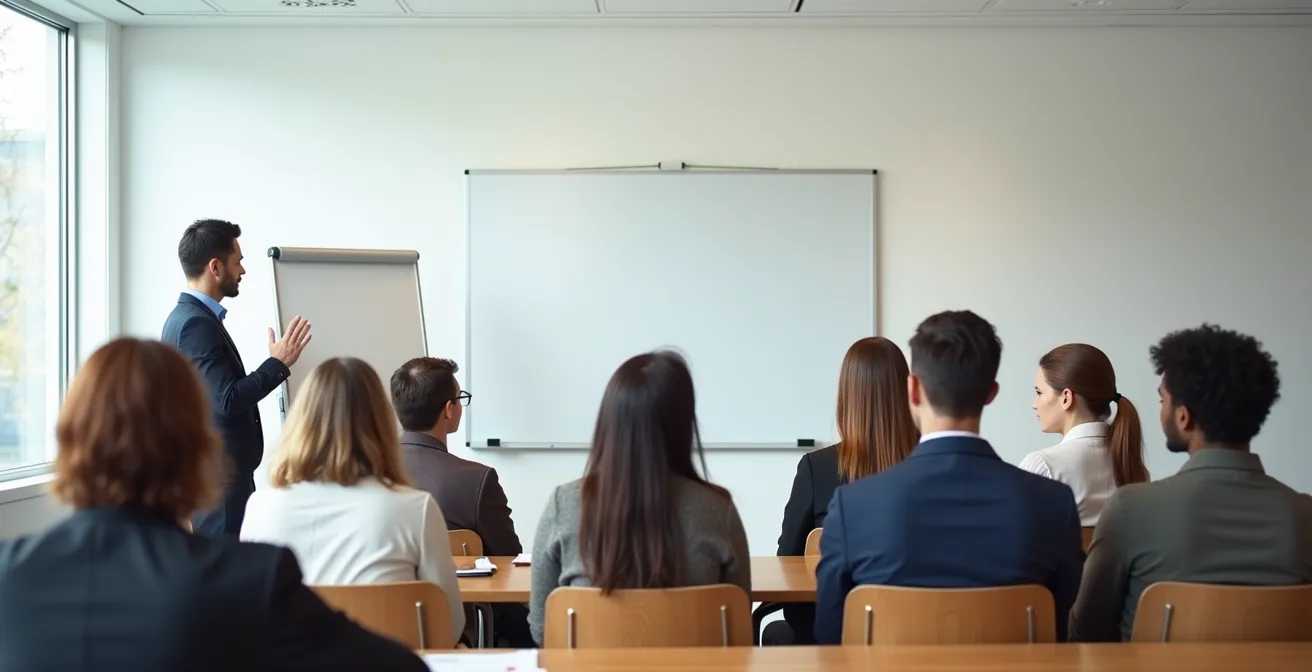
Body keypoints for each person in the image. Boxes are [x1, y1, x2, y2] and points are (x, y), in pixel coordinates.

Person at [0, 338, 425, 672]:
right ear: (199, 445)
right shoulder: (250, 579)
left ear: (70, 440)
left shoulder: (8, 573)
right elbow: (398, 666)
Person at [813, 310, 1084, 645]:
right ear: (991, 393)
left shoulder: (853, 506)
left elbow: (829, 638)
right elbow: (1065, 632)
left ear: (912, 390)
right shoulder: (1053, 504)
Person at [1071, 324, 1312, 642]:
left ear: (1183, 417)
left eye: (1163, 400)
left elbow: (1086, 632)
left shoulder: (1132, 510)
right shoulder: (1305, 516)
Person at [528, 351, 751, 646]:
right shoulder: (717, 510)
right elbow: (737, 624)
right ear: (683, 423)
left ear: (609, 421)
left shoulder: (563, 505)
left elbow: (544, 630)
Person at [240, 357, 465, 644]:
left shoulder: (261, 507)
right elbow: (448, 627)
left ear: (301, 420)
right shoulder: (414, 509)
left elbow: (251, 621)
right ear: (381, 421)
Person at [161, 219, 313, 537]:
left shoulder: (187, 319)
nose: (243, 270)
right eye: (238, 261)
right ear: (215, 267)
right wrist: (277, 363)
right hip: (222, 485)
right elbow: (226, 400)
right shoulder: (194, 325)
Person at [767, 336, 919, 645]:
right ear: (907, 391)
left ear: (846, 396)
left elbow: (787, 566)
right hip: (921, 636)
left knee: (775, 633)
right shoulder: (932, 468)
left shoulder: (817, 469)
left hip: (831, 636)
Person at [390, 356, 530, 647]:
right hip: (458, 630)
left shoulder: (363, 477)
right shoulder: (476, 480)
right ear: (448, 410)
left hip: (376, 634)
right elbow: (509, 557)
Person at [1020, 343, 1149, 526]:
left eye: (1039, 393)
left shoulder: (1043, 466)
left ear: (1066, 398)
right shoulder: (1135, 469)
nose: (1035, 404)